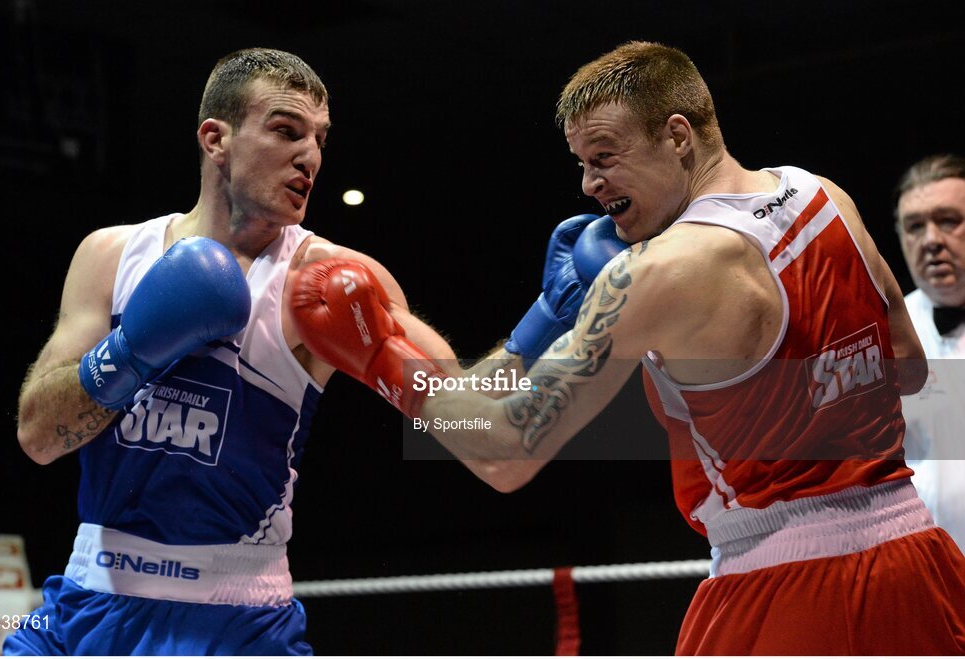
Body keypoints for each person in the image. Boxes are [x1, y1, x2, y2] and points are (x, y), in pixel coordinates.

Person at [288, 41, 965, 654]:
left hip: (784, 583)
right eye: (582, 165)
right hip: (917, 559)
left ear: (676, 136)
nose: (589, 185)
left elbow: (503, 451)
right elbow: (905, 368)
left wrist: (380, 359)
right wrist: (545, 320)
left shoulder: (657, 271)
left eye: (605, 157)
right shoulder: (824, 196)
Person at [7, 47, 625, 656]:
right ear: (214, 138)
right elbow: (38, 437)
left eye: (320, 139)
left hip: (237, 624)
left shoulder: (328, 280)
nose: (309, 156)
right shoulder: (112, 257)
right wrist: (134, 349)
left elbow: (475, 427)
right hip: (87, 607)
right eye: (285, 130)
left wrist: (548, 321)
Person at [894, 154, 965, 553]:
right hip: (923, 584)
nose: (932, 240)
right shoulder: (883, 336)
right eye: (915, 226)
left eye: (949, 220)